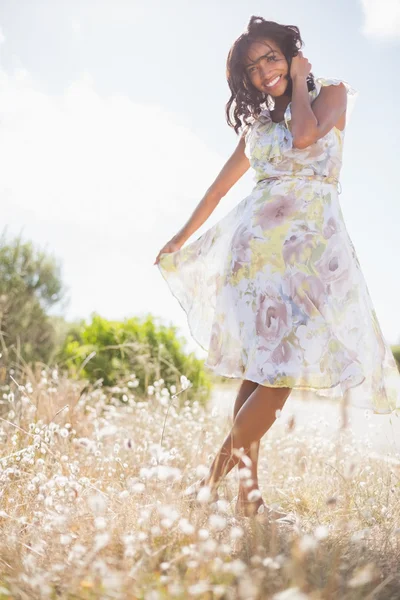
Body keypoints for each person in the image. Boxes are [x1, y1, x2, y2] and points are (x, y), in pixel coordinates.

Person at [153, 16, 400, 521]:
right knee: (265, 373)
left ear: (292, 53)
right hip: (256, 252)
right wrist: (181, 236)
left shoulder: (331, 94)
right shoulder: (259, 126)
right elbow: (220, 188)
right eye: (253, 68)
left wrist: (305, 80)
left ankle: (229, 492)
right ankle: (230, 491)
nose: (265, 72)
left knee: (272, 372)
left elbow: (306, 136)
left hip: (310, 250)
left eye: (271, 57)